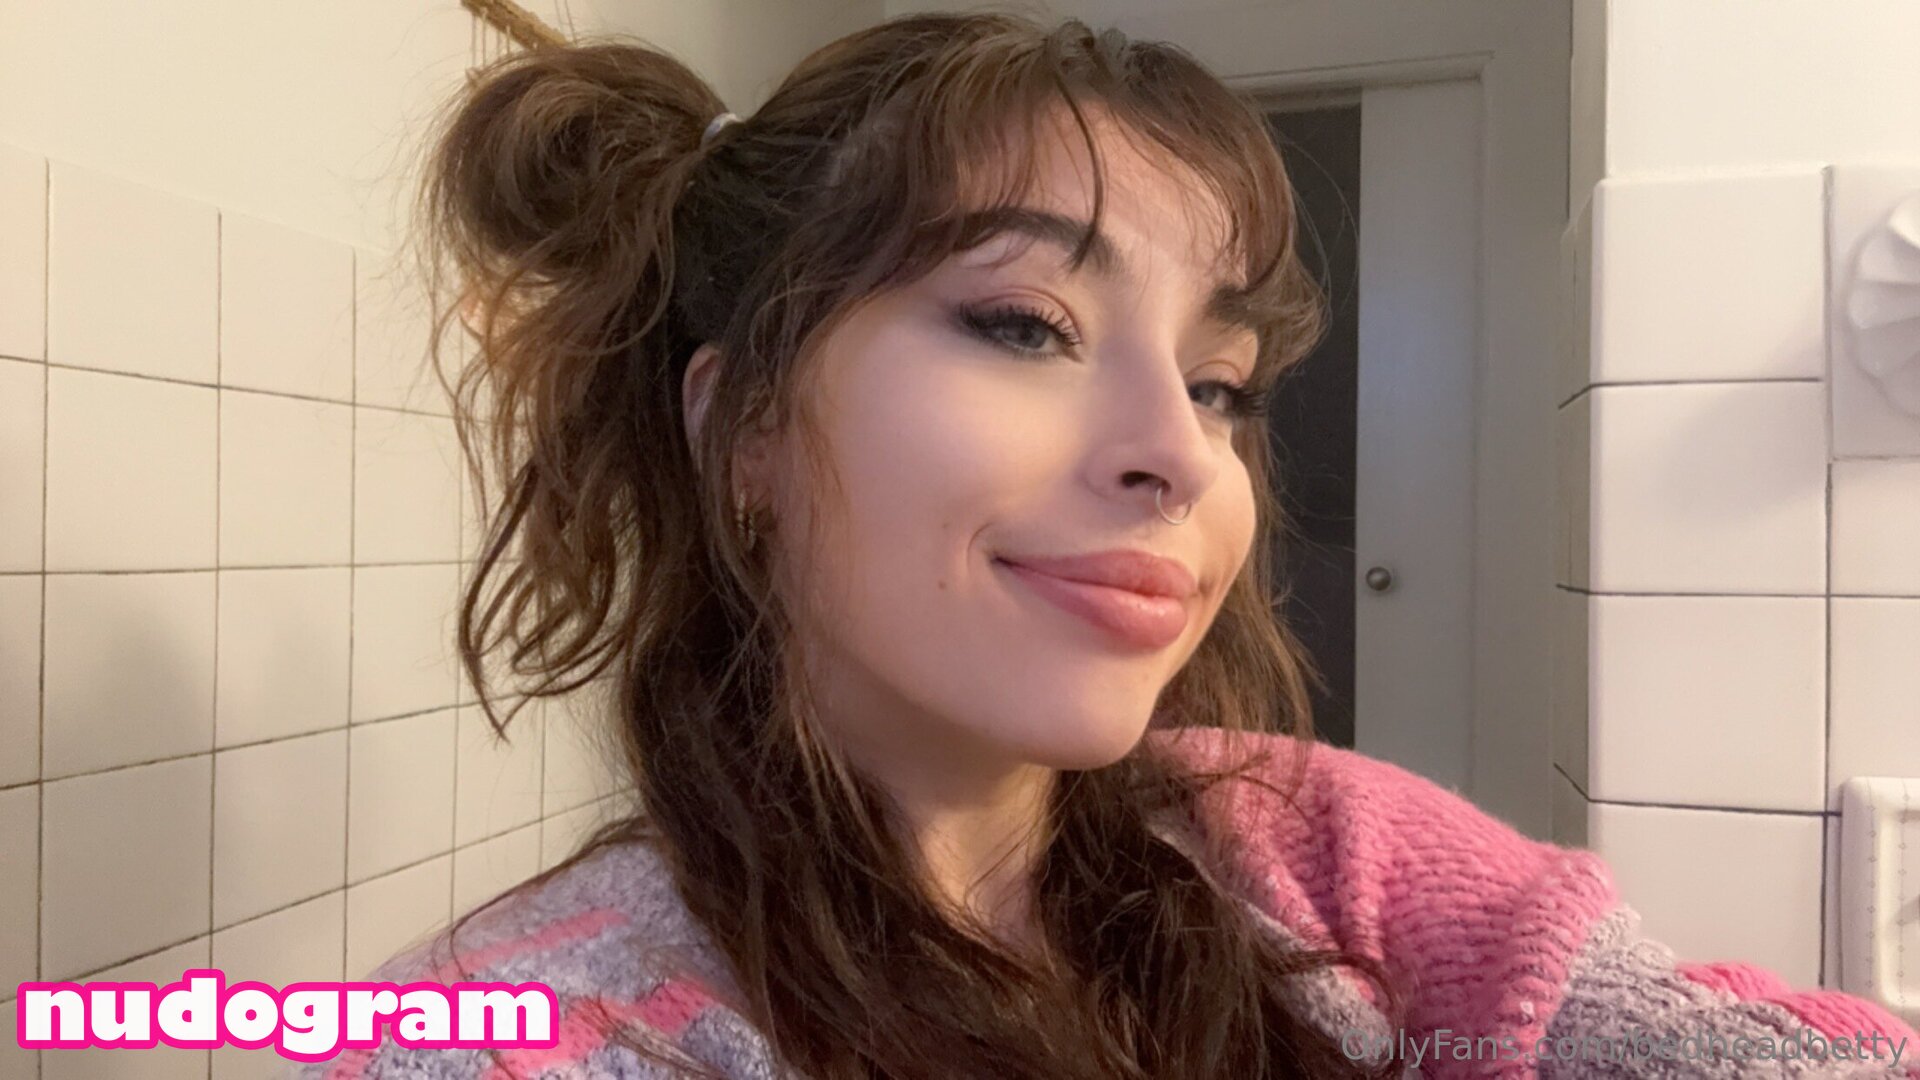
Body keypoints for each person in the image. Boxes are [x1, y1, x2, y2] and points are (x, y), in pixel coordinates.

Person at [286, 11, 1920, 1079]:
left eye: (1222, 384)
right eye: (1024, 323)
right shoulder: (522, 1033)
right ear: (747, 430)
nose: (1183, 455)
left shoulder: (1311, 847)